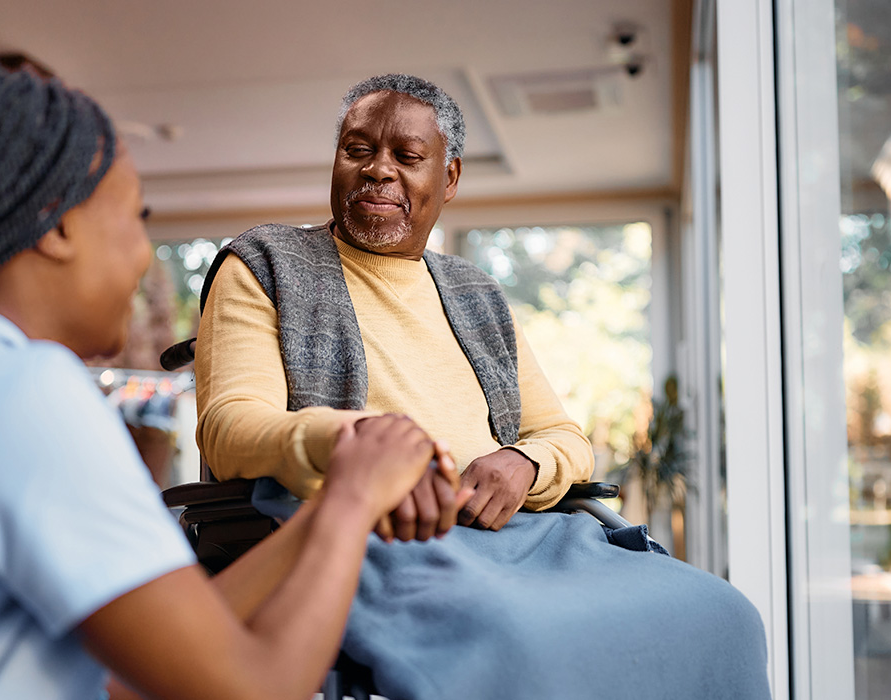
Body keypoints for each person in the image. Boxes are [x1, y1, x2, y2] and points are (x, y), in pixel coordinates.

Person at [0, 59, 465, 700]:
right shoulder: (21, 392)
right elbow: (251, 688)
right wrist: (352, 498)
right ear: (55, 225)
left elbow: (126, 672)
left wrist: (334, 505)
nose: (142, 258)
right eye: (136, 218)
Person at [195, 74, 773, 700]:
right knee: (525, 642)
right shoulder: (264, 264)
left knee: (725, 615)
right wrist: (359, 445)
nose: (378, 171)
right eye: (357, 150)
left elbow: (563, 437)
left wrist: (525, 461)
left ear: (449, 179)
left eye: (408, 157)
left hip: (518, 535)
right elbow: (229, 429)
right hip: (377, 535)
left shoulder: (477, 294)